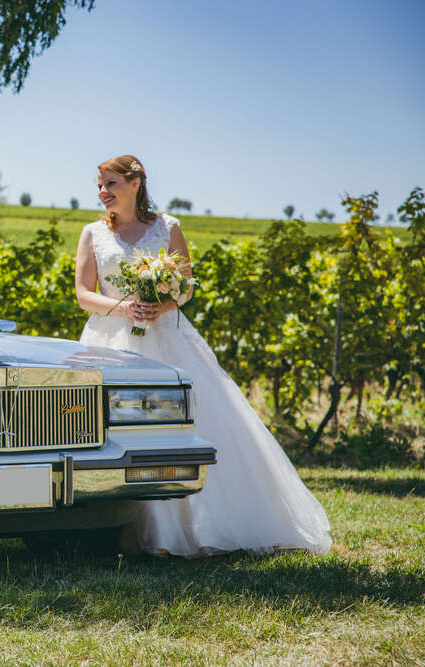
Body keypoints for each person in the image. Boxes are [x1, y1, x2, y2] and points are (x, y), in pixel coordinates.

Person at [75, 154, 331, 557]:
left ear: (135, 183)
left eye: (110, 184)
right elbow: (83, 294)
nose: (103, 193)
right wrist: (123, 308)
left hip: (166, 339)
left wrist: (163, 303)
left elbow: (186, 286)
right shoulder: (92, 233)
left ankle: (189, 531)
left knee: (188, 424)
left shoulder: (168, 228)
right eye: (100, 186)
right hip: (110, 341)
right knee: (112, 429)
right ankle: (118, 530)